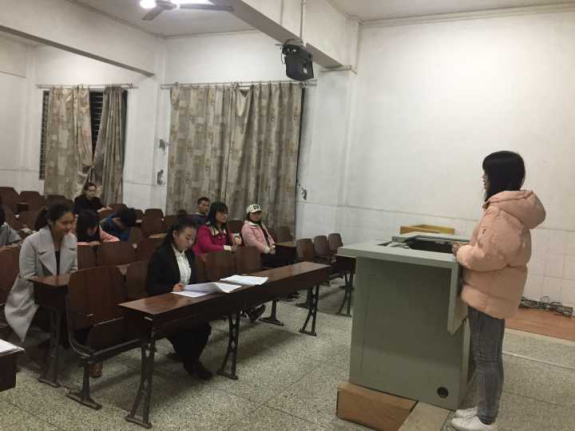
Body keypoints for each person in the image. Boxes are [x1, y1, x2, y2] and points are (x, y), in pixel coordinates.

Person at [450, 151, 546, 431]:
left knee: (486, 359)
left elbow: (487, 257)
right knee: (491, 355)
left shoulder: (500, 212)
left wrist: (461, 252)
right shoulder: (514, 209)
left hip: (487, 294)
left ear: (498, 176)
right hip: (496, 291)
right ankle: (485, 410)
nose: (483, 177)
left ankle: (486, 419)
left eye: (487, 172)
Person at [145, 216, 213, 380]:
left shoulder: (189, 253)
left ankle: (190, 360)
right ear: (175, 234)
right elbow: (150, 287)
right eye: (187, 238)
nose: (190, 243)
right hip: (165, 306)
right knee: (182, 331)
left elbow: (192, 279)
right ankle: (192, 363)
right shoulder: (160, 255)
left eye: (193, 239)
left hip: (184, 303)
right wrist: (170, 288)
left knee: (204, 328)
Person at [5, 203, 77, 342]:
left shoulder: (72, 239)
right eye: (64, 223)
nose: (69, 227)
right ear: (50, 221)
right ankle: (59, 346)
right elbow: (27, 278)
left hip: (62, 292)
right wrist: (52, 288)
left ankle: (71, 345)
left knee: (82, 310)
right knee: (64, 315)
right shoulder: (32, 241)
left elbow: (74, 272)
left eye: (71, 222)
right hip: (33, 296)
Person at [241, 204, 283, 268]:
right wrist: (268, 250)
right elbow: (253, 243)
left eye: (258, 213)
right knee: (279, 260)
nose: (257, 215)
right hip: (256, 256)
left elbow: (269, 237)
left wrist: (273, 246)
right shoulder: (246, 227)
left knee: (285, 256)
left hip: (266, 253)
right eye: (254, 213)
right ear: (248, 215)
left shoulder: (261, 224)